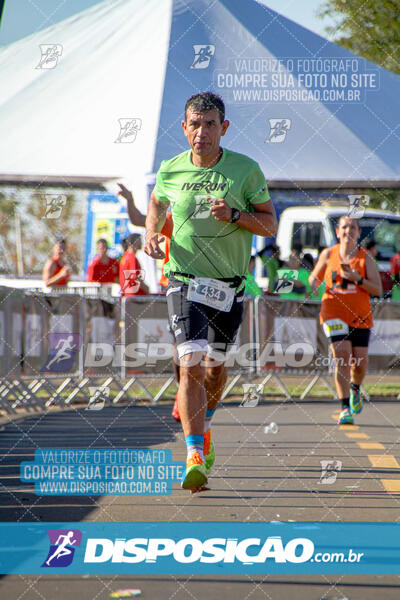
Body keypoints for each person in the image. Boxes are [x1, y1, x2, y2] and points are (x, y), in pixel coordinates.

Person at [144, 91, 277, 492]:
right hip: (183, 278)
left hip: (228, 285)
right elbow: (156, 204)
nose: (201, 133)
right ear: (183, 127)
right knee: (191, 363)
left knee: (216, 368)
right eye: (194, 124)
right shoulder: (170, 169)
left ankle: (207, 427)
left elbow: (269, 225)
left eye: (210, 124)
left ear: (224, 128)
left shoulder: (246, 171)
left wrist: (236, 216)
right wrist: (151, 232)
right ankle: (193, 454)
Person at [309, 216, 382, 425]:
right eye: (344, 227)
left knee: (359, 364)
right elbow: (314, 277)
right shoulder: (328, 253)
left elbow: (377, 289)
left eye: (352, 227)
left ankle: (355, 388)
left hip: (360, 314)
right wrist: (314, 283)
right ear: (337, 231)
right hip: (333, 310)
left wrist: (356, 279)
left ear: (359, 233)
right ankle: (344, 407)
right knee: (341, 356)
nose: (348, 231)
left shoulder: (365, 257)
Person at [117, 183, 181, 420]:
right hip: (177, 285)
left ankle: (193, 393)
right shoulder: (172, 220)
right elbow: (138, 219)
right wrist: (130, 199)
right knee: (182, 345)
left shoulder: (211, 222)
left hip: (206, 286)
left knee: (204, 351)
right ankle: (182, 392)